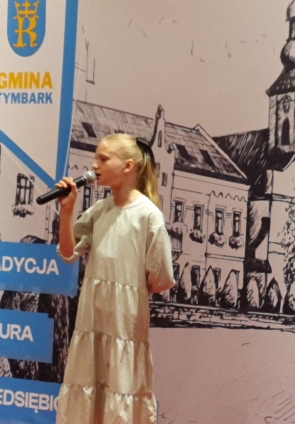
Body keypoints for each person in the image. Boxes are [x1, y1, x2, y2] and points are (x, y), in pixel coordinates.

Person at [55, 133, 175, 423]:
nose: (94, 166)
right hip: (92, 322)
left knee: (121, 393)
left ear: (128, 166)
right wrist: (67, 211)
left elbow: (161, 279)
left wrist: (131, 288)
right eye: (95, 158)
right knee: (88, 391)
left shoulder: (148, 216)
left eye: (103, 159)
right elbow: (68, 253)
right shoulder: (99, 211)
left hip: (124, 325)